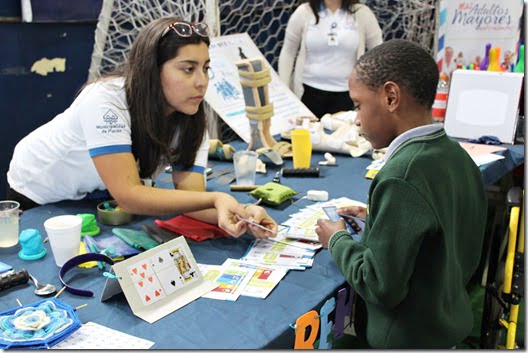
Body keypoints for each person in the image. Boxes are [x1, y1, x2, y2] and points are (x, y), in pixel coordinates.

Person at [6, 17, 277, 239]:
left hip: (93, 191)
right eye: (188, 69)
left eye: (206, 68)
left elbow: (191, 198)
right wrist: (217, 197)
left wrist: (241, 215)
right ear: (151, 69)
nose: (201, 81)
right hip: (40, 190)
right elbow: (130, 196)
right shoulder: (106, 100)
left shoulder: (190, 118)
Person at [314, 39, 487, 348]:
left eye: (358, 105)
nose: (356, 118)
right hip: (445, 324)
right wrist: (378, 218)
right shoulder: (455, 155)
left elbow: (380, 285)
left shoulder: (400, 176)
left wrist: (337, 240)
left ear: (391, 97)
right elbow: (444, 231)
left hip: (404, 338)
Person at [278, 0, 382, 119]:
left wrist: (377, 89)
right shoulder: (304, 12)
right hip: (308, 94)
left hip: (348, 96)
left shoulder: (362, 13)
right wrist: (284, 90)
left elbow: (379, 51)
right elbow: (288, 52)